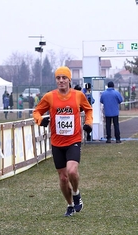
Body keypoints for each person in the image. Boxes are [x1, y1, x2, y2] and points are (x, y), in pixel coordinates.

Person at [33, 66, 93, 217]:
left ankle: (76, 193)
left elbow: (88, 109)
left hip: (73, 140)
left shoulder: (78, 95)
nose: (61, 81)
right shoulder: (50, 97)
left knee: (72, 171)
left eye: (64, 78)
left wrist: (89, 123)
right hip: (57, 142)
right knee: (63, 177)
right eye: (58, 78)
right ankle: (70, 204)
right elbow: (37, 111)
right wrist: (40, 120)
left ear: (69, 80)